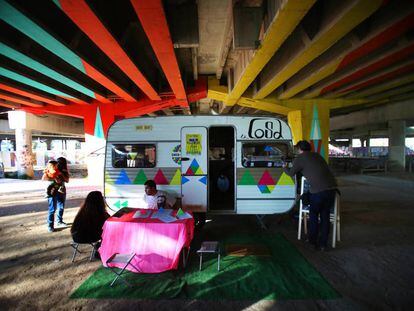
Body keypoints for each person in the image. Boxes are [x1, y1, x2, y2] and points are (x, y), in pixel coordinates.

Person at [283, 140, 337, 251]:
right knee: (325, 217)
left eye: (297, 149)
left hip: (318, 192)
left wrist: (284, 166)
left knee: (313, 215)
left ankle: (312, 241)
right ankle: (323, 245)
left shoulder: (300, 158)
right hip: (332, 190)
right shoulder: (317, 156)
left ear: (299, 149)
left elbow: (291, 173)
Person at [43, 157, 69, 232]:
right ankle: (50, 225)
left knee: (61, 207)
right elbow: (44, 179)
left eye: (61, 163)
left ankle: (59, 221)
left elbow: (67, 180)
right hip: (52, 191)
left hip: (61, 190)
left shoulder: (63, 170)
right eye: (58, 163)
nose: (59, 165)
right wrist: (50, 173)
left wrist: (61, 174)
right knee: (52, 209)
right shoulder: (49, 170)